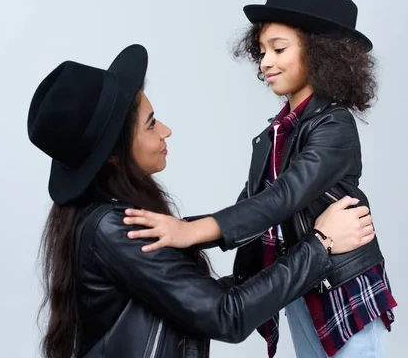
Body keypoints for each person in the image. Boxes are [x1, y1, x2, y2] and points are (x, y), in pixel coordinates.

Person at [27, 44, 376, 358]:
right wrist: (321, 244)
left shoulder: (108, 219)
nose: (165, 130)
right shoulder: (115, 229)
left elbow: (186, 300)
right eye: (150, 125)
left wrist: (283, 253)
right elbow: (227, 315)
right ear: (114, 155)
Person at [123, 0, 397, 357]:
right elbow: (251, 206)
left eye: (279, 49)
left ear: (321, 53)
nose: (265, 61)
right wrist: (181, 231)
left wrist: (190, 232)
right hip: (304, 285)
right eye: (262, 50)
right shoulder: (275, 134)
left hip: (343, 289)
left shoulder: (335, 127)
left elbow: (282, 199)